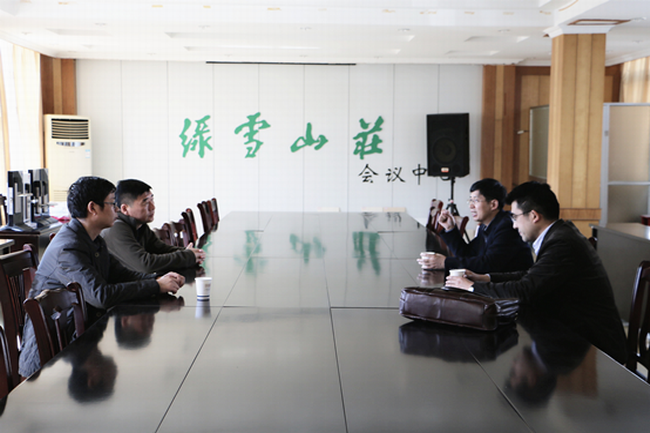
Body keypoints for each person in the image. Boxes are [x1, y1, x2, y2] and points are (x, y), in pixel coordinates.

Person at [19, 176, 185, 378]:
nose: (116, 209)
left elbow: (122, 275)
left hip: (80, 337)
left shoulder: (93, 238)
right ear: (93, 208)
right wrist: (156, 286)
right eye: (112, 204)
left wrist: (160, 279)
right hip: (53, 358)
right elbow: (100, 296)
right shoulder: (69, 247)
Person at [445, 181, 627, 364]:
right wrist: (485, 278)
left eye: (515, 217)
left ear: (534, 216)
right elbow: (530, 274)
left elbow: (524, 290)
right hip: (568, 333)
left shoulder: (561, 243)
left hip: (592, 347)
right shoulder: (559, 234)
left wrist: (472, 287)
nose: (514, 225)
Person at [418, 178, 533, 274]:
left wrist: (445, 262)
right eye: (470, 201)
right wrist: (450, 228)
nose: (471, 206)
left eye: (476, 201)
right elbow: (468, 254)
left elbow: (489, 264)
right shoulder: (487, 225)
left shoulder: (507, 226)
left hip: (510, 288)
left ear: (493, 204)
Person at [102, 179, 206, 274]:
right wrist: (188, 256)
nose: (153, 207)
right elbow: (145, 265)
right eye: (146, 203)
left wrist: (191, 253)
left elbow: (161, 249)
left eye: (152, 200)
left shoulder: (140, 225)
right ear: (125, 209)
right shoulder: (116, 227)